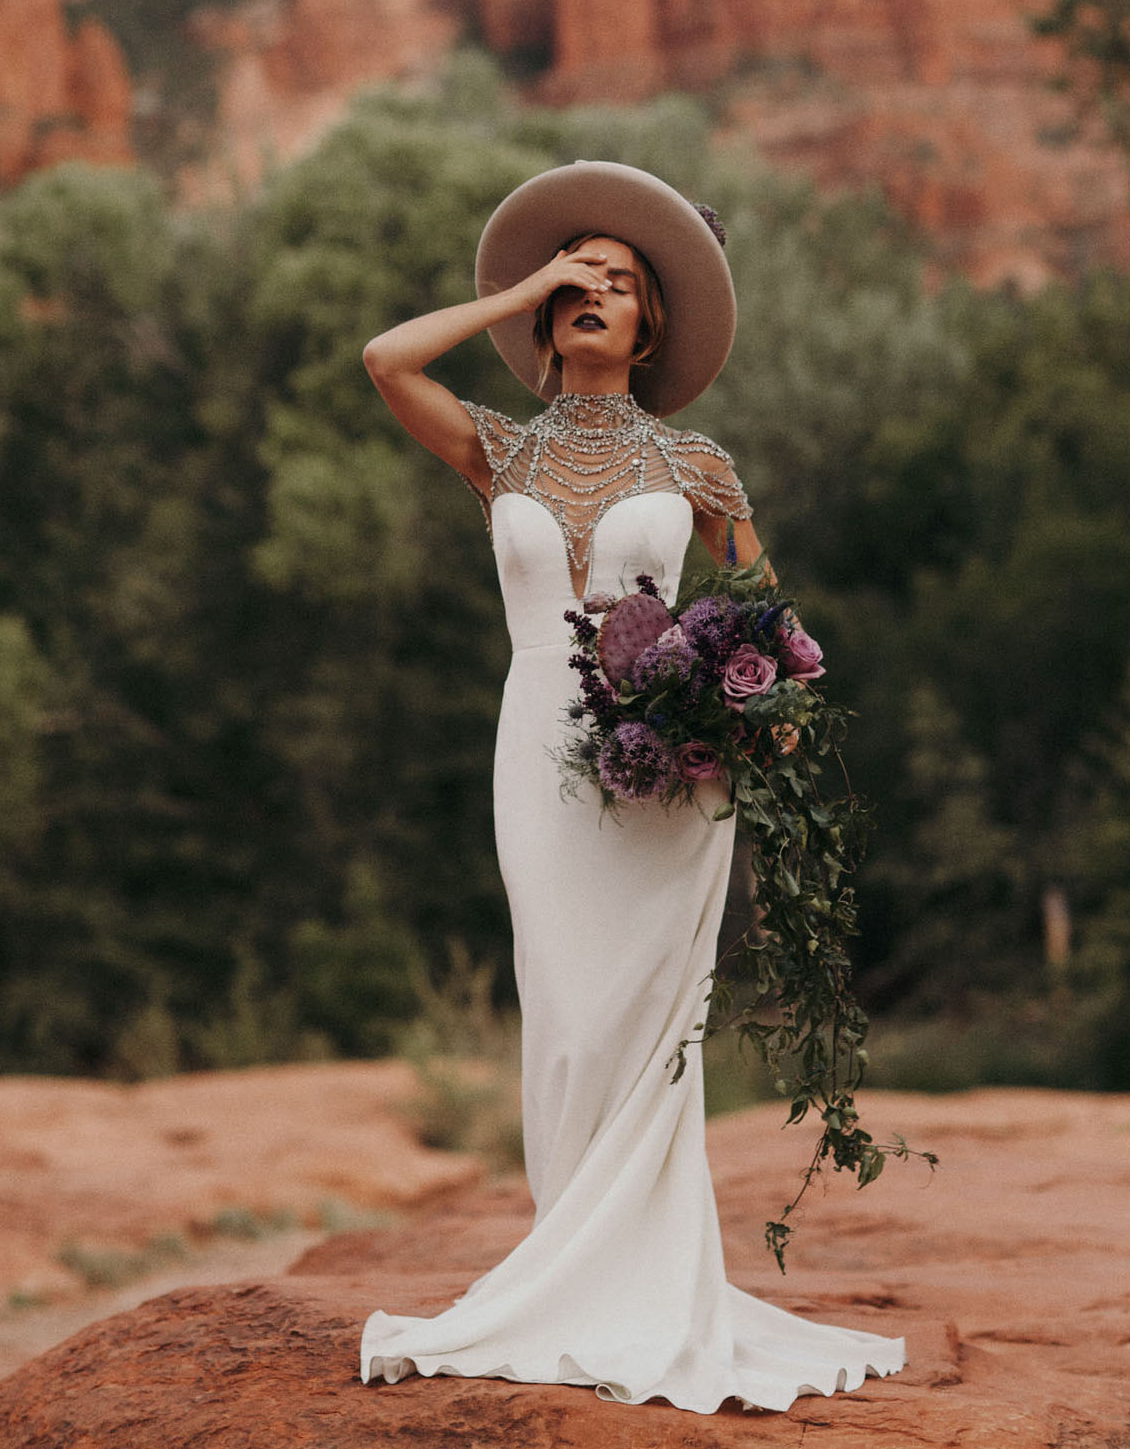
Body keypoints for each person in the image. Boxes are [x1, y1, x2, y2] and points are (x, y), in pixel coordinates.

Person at [358, 161, 905, 1413]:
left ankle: (646, 1279)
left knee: (651, 1023)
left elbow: (771, 612)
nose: (591, 291)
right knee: (564, 1010)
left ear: (651, 323)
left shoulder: (699, 458)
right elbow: (388, 359)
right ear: (545, 319)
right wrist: (523, 282)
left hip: (670, 772)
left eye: (617, 281)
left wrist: (757, 709)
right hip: (535, 750)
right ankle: (568, 1268)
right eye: (575, 280)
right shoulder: (496, 449)